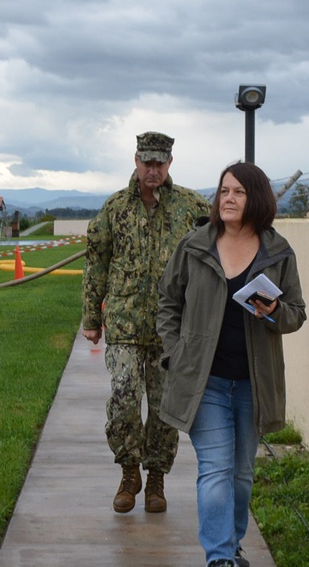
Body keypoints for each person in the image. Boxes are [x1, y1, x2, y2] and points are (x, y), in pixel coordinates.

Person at [157, 161, 306, 567]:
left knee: (242, 473)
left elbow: (297, 315)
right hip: (206, 383)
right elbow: (168, 302)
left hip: (253, 385)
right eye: (223, 191)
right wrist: (174, 354)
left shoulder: (278, 253)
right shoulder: (194, 245)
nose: (228, 199)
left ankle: (233, 544)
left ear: (255, 198)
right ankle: (218, 558)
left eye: (238, 192)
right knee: (216, 468)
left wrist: (275, 311)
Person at [81, 132, 210, 514]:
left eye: (159, 163)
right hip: (123, 323)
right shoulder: (116, 207)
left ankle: (156, 478)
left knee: (163, 407)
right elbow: (97, 262)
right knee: (123, 397)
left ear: (170, 163)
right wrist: (91, 317)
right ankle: (128, 469)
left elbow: (216, 253)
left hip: (172, 328)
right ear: (135, 161)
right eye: (146, 162)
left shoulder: (192, 206)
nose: (152, 170)